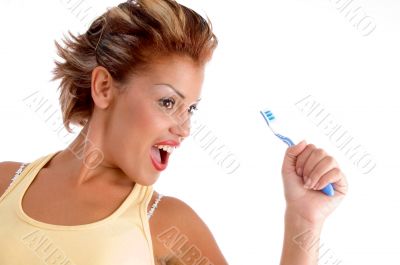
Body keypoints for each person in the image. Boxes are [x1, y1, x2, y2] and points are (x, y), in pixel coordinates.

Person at [0, 0, 348, 264]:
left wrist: (303, 219)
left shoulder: (169, 224)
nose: (185, 129)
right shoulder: (5, 184)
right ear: (104, 87)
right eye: (168, 102)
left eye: (190, 108)